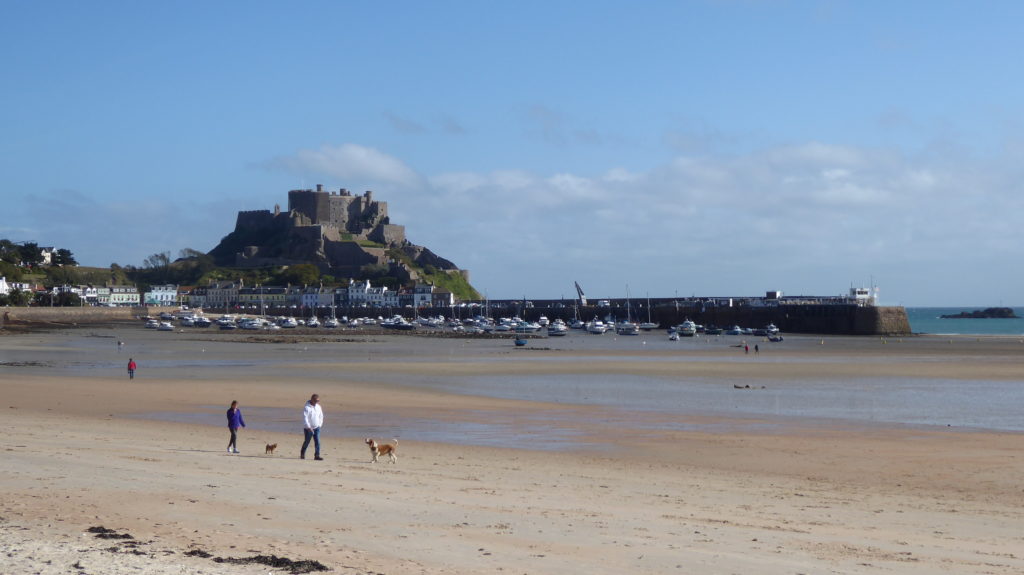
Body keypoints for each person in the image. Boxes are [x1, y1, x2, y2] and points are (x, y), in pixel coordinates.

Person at [301, 394, 324, 460]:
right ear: (312, 400)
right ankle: (302, 453)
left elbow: (321, 416)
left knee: (317, 442)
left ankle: (317, 455)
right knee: (307, 442)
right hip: (308, 429)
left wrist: (319, 425)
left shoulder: (318, 407)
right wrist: (308, 427)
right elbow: (305, 418)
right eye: (316, 400)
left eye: (318, 401)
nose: (317, 402)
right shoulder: (307, 407)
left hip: (317, 427)